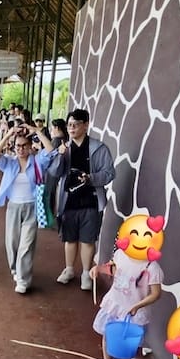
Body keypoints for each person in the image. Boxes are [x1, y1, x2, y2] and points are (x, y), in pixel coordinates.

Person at [47, 108, 116, 290]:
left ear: (85, 125)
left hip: (91, 201)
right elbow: (54, 172)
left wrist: (91, 178)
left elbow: (109, 173)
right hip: (68, 200)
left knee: (87, 239)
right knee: (69, 238)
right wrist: (60, 155)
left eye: (75, 125)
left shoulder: (99, 148)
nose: (71, 128)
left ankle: (86, 273)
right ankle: (69, 269)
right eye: (69, 125)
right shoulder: (64, 148)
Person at [87, 246, 164, 359]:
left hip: (135, 312)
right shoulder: (121, 254)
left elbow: (156, 293)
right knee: (107, 335)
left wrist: (139, 305)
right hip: (114, 304)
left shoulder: (152, 267)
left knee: (134, 349)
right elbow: (114, 269)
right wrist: (98, 269)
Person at [0, 122, 54, 293]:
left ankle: (23, 280)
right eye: (18, 146)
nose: (21, 149)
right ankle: (15, 269)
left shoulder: (37, 161)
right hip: (13, 207)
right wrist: (8, 135)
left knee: (27, 244)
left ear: (29, 146)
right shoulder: (9, 163)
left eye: (24, 145)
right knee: (11, 242)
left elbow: (50, 151)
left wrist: (37, 132)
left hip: (32, 207)